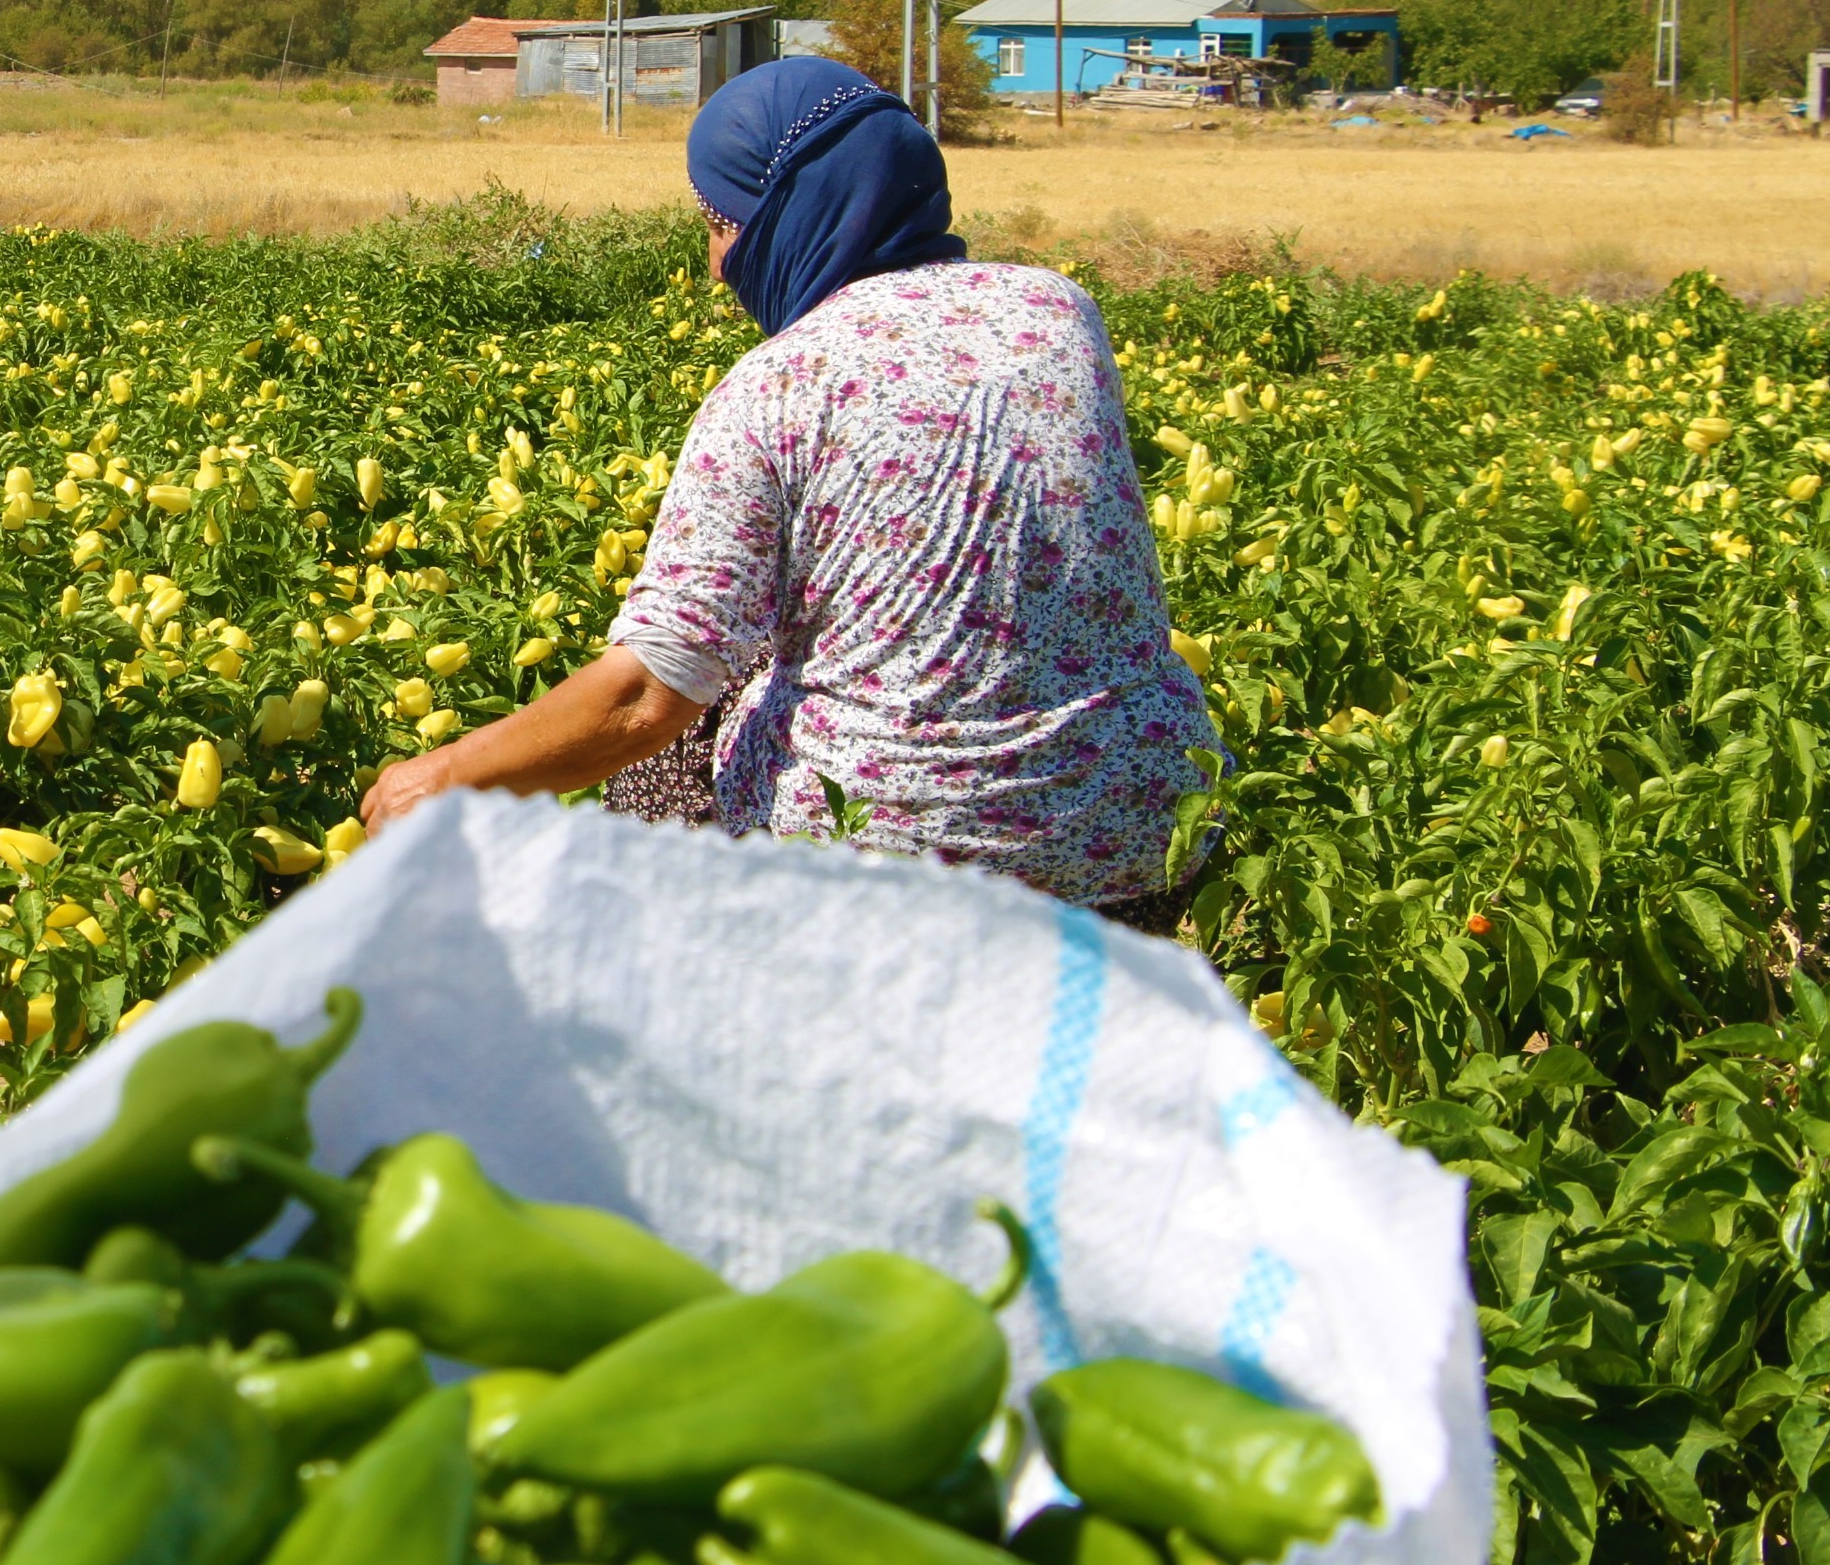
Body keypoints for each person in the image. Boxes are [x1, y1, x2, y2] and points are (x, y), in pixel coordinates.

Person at [360, 58, 1218, 924]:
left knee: (670, 762)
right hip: (1146, 834)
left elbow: (648, 693)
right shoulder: (1061, 311)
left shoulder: (777, 386)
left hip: (898, 869)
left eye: (719, 225)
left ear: (780, 220)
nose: (715, 265)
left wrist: (435, 780)